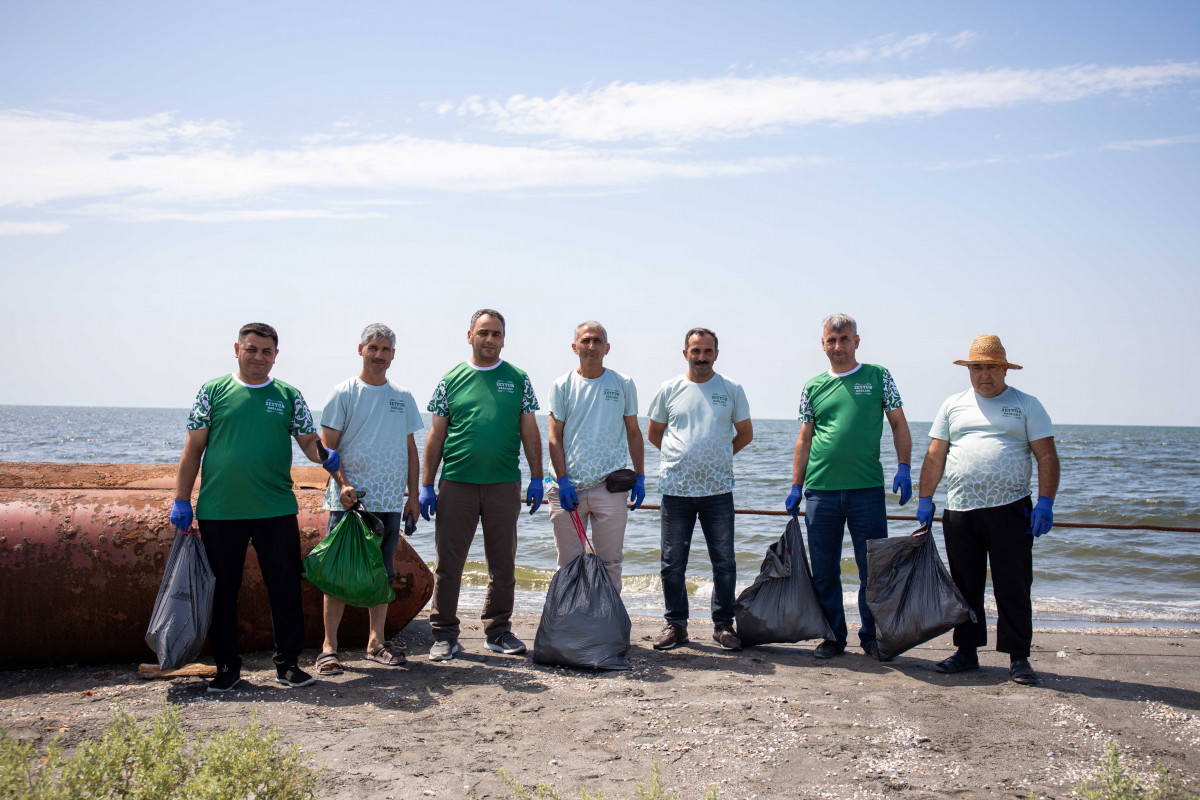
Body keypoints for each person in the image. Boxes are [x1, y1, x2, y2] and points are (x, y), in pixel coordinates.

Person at [170, 322, 341, 692]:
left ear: (276, 356)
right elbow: (192, 450)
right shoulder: (213, 391)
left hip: (276, 508)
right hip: (219, 510)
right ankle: (228, 668)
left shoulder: (289, 395)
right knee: (222, 592)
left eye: (266, 351)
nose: (258, 357)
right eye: (251, 349)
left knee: (284, 589)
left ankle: (288, 666)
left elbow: (309, 443)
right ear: (237, 349)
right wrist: (182, 499)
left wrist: (324, 456)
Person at [916, 334, 1060, 685]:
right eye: (977, 367)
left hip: (1010, 509)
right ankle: (966, 653)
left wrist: (1045, 502)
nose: (984, 374)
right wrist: (925, 498)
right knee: (965, 586)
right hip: (961, 509)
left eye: (992, 367)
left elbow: (1046, 456)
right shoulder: (953, 404)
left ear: (1005, 370)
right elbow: (936, 455)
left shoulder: (1026, 405)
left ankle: (1019, 657)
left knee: (1013, 584)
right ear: (969, 370)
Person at [784, 313, 912, 661]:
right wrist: (797, 485)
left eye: (844, 339)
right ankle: (832, 636)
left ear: (856, 341)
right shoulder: (812, 386)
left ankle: (871, 637)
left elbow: (899, 424)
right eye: (831, 340)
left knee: (872, 570)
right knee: (824, 570)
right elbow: (805, 438)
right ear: (823, 344)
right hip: (821, 492)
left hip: (866, 490)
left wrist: (904, 467)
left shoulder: (878, 377)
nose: (838, 346)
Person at [419, 309, 544, 661]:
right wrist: (426, 484)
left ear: (504, 338)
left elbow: (529, 430)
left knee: (503, 563)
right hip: (457, 482)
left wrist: (537, 476)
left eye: (497, 334)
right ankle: (444, 634)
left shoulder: (518, 378)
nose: (490, 339)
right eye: (484, 332)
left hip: (504, 484)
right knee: (449, 564)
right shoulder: (451, 379)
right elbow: (436, 433)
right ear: (470, 335)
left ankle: (498, 631)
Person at [314, 323, 423, 677]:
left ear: (394, 354)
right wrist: (342, 484)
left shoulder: (402, 397)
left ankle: (376, 644)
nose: (379, 355)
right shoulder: (344, 393)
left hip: (391, 501)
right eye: (373, 347)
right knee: (339, 574)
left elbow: (410, 450)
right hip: (350, 503)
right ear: (360, 349)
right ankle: (328, 648)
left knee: (383, 572)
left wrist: (414, 496)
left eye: (386, 349)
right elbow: (325, 447)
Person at [647, 327, 753, 652]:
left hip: (718, 491)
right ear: (685, 353)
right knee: (672, 562)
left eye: (707, 351)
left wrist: (717, 456)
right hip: (676, 490)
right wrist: (681, 457)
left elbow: (745, 434)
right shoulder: (669, 389)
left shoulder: (731, 389)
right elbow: (654, 433)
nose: (702, 357)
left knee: (724, 562)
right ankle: (676, 625)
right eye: (696, 351)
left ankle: (723, 626)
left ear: (716, 354)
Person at [547, 321, 646, 592]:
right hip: (566, 489)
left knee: (610, 561)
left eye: (597, 341)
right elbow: (554, 437)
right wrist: (564, 480)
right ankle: (568, 623)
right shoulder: (562, 385)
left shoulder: (623, 383)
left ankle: (608, 624)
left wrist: (640, 476)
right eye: (586, 340)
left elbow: (634, 433)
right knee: (569, 563)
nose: (591, 346)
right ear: (575, 346)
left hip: (610, 487)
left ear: (607, 348)